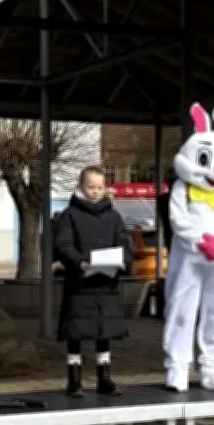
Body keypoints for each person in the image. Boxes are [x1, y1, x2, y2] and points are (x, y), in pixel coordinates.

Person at [162, 103, 214, 393]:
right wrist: (200, 240)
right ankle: (178, 366)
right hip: (189, 257)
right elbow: (177, 219)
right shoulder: (182, 187)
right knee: (181, 309)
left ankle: (213, 366)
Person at [54, 166, 133, 398]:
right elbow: (63, 245)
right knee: (76, 331)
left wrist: (124, 261)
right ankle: (74, 380)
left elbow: (124, 243)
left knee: (103, 330)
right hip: (79, 284)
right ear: (80, 186)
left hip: (106, 284)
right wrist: (79, 262)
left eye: (100, 187)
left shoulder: (114, 216)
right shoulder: (69, 215)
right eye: (91, 187)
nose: (96, 192)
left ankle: (104, 378)